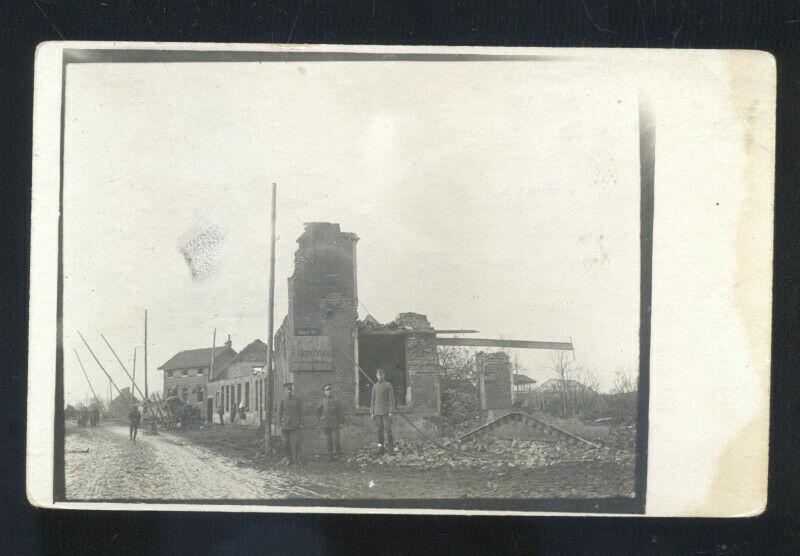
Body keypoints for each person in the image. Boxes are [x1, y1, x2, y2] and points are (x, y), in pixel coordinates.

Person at [315, 383, 344, 462]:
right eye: (326, 390)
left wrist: (341, 423)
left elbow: (340, 412)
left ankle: (339, 456)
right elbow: (317, 412)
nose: (328, 391)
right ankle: (330, 456)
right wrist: (321, 418)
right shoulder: (322, 400)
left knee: (336, 440)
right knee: (328, 440)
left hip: (335, 423)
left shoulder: (336, 399)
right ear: (324, 392)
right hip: (326, 424)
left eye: (329, 389)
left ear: (332, 390)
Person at [370, 368, 396, 454]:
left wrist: (391, 411)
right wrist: (372, 412)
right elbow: (372, 400)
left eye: (381, 375)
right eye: (378, 375)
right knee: (379, 431)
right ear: (376, 376)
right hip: (377, 412)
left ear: (384, 375)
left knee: (388, 430)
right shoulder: (374, 386)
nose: (379, 377)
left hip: (386, 412)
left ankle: (391, 448)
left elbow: (392, 399)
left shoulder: (388, 385)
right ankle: (380, 448)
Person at [278, 382, 304, 465]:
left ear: (292, 390)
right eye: (287, 390)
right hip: (285, 424)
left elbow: (301, 412)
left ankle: (299, 459)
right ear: (285, 391)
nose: (289, 391)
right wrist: (279, 424)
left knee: (297, 442)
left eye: (290, 390)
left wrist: (301, 422)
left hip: (295, 424)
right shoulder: (282, 400)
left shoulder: (297, 400)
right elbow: (279, 413)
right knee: (286, 443)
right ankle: (288, 459)